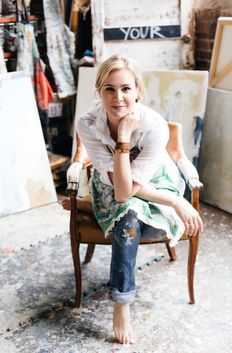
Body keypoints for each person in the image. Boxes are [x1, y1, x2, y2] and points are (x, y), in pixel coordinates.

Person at [63, 55, 203, 344]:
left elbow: (131, 188)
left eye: (126, 89)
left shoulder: (155, 126)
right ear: (99, 91)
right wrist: (124, 137)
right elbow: (123, 191)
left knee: (127, 210)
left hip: (156, 182)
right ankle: (122, 303)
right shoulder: (88, 124)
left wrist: (174, 198)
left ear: (138, 90)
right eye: (109, 89)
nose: (118, 98)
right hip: (115, 187)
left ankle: (121, 296)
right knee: (127, 210)